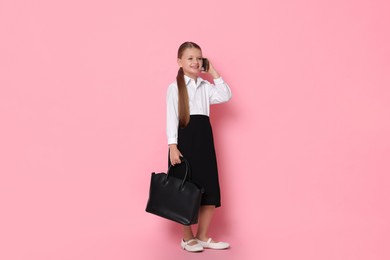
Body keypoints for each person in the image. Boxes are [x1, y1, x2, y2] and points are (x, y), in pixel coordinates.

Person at [166, 41, 232, 252]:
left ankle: (202, 235)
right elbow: (171, 118)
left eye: (198, 58)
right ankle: (187, 237)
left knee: (209, 187)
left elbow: (226, 95)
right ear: (179, 62)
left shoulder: (206, 87)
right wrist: (172, 146)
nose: (195, 62)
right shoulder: (174, 87)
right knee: (184, 189)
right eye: (190, 58)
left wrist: (213, 71)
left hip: (204, 140)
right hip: (184, 141)